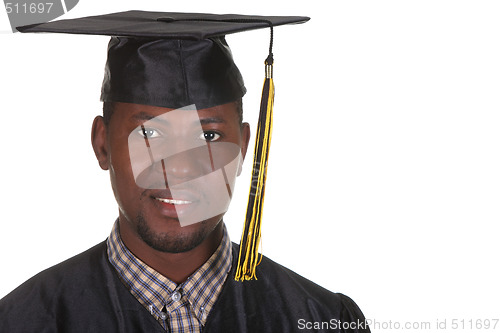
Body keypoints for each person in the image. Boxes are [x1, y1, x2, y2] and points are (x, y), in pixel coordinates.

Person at [0, 11, 370, 332]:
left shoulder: (322, 319)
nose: (179, 165)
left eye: (208, 135)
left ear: (242, 148)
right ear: (102, 145)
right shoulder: (22, 321)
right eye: (150, 133)